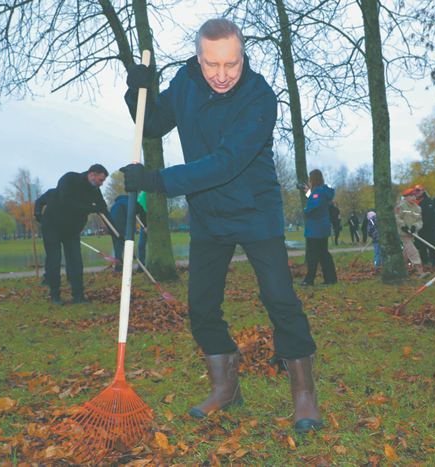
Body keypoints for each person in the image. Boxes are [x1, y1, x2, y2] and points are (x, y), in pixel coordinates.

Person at [119, 18, 321, 433]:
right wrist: (135, 89)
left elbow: (226, 163)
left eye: (231, 64)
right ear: (199, 58)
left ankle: (304, 394)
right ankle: (225, 387)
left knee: (281, 301)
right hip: (208, 217)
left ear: (242, 56)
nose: (222, 74)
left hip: (255, 212)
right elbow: (153, 122)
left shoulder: (260, 97)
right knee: (202, 306)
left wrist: (157, 182)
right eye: (213, 65)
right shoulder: (185, 82)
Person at [41, 164, 115, 305]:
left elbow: (103, 210)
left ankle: (78, 296)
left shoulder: (94, 190)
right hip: (52, 225)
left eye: (103, 181)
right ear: (92, 175)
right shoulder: (69, 179)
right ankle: (55, 295)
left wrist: (118, 233)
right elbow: (66, 202)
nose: (101, 184)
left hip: (72, 229)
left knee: (76, 261)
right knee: (54, 260)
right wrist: (91, 208)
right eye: (100, 180)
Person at [299, 169, 338, 286]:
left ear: (313, 179)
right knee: (324, 254)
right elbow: (318, 200)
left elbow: (313, 206)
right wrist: (307, 192)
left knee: (312, 255)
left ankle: (309, 280)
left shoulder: (317, 192)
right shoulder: (324, 191)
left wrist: (306, 211)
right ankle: (330, 278)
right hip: (323, 228)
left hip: (314, 229)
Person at [395, 188, 429, 277]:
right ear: (405, 197)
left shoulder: (418, 208)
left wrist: (415, 227)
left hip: (412, 233)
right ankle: (419, 269)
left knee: (407, 251)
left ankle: (400, 267)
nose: (413, 198)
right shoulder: (401, 206)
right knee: (412, 249)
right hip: (403, 233)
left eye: (414, 196)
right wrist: (403, 226)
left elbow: (419, 221)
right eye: (410, 196)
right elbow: (397, 217)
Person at [109, 193, 147, 273]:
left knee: (118, 248)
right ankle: (123, 266)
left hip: (112, 228)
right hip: (121, 228)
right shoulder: (126, 203)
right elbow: (131, 215)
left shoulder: (116, 204)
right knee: (124, 247)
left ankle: (119, 266)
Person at [413, 185, 435, 266]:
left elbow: (430, 214)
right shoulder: (413, 202)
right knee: (421, 247)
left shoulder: (428, 201)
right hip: (419, 229)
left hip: (429, 228)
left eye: (419, 190)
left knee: (431, 246)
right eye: (416, 191)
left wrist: (422, 224)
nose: (417, 193)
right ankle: (424, 263)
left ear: (423, 191)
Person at [136, 191, 149, 273]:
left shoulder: (146, 194)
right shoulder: (140, 197)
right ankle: (141, 265)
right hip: (143, 227)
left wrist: (149, 226)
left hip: (149, 226)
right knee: (141, 245)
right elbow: (141, 212)